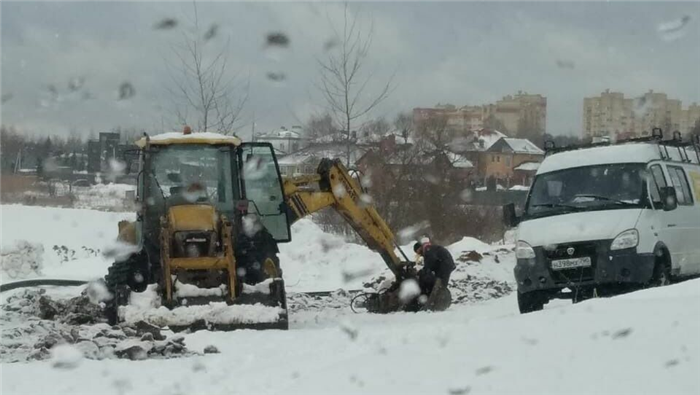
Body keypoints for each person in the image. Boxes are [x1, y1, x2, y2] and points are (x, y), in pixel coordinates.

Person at [413, 239, 455, 310]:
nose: (419, 254)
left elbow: (430, 261)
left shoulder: (427, 249)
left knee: (439, 284)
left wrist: (424, 270)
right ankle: (438, 303)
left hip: (445, 265)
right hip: (446, 264)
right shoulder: (431, 248)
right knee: (441, 284)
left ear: (419, 248)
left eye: (417, 252)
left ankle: (434, 303)